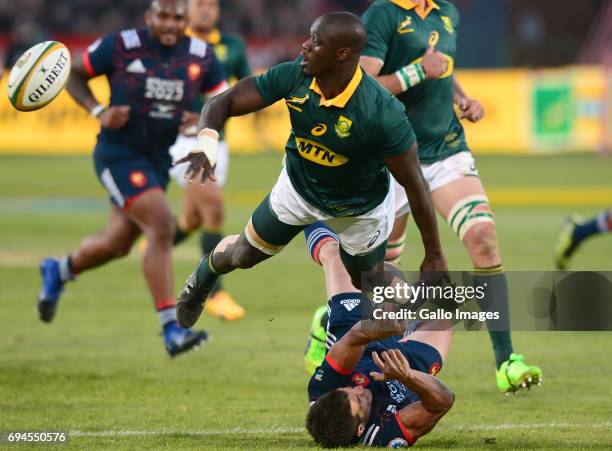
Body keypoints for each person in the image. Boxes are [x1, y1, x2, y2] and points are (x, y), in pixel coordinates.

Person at [173, 12, 448, 330]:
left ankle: (417, 306)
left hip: (360, 206)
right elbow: (224, 101)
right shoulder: (297, 75)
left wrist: (435, 255)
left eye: (315, 42)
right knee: (243, 256)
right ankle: (203, 275)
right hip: (299, 188)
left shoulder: (381, 113)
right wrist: (207, 142)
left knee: (366, 281)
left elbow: (416, 185)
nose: (305, 45)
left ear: (341, 54)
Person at [354, 0, 541, 392]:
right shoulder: (383, 14)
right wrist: (418, 70)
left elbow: (444, 67)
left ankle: (507, 360)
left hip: (446, 150)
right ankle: (334, 329)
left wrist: (461, 97)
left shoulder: (447, 12)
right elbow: (362, 86)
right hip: (394, 155)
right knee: (382, 274)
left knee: (483, 239)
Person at [36, 0, 228, 357]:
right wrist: (99, 111)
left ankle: (59, 270)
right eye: (164, 16)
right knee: (161, 224)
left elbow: (223, 99)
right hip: (117, 154)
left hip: (156, 158)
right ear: (149, 17)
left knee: (118, 243)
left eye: (178, 18)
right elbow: (73, 74)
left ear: (186, 20)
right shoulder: (121, 45)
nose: (171, 24)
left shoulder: (201, 54)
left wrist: (203, 121)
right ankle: (172, 329)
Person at [305, 226, 454, 448]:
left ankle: (303, 204)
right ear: (361, 428)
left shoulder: (324, 390)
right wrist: (407, 375)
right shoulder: (383, 433)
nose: (357, 389)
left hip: (359, 346)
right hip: (404, 365)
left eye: (347, 390)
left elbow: (355, 338)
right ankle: (407, 317)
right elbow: (444, 402)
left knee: (335, 253)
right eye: (358, 400)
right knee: (448, 307)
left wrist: (385, 311)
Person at [167, 0, 251, 321]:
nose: (205, 9)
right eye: (198, 4)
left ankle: (158, 244)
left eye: (211, 4)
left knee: (191, 218)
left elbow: (245, 90)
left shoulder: (232, 47)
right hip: (182, 143)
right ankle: (214, 293)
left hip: (218, 142)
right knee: (213, 209)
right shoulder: (173, 44)